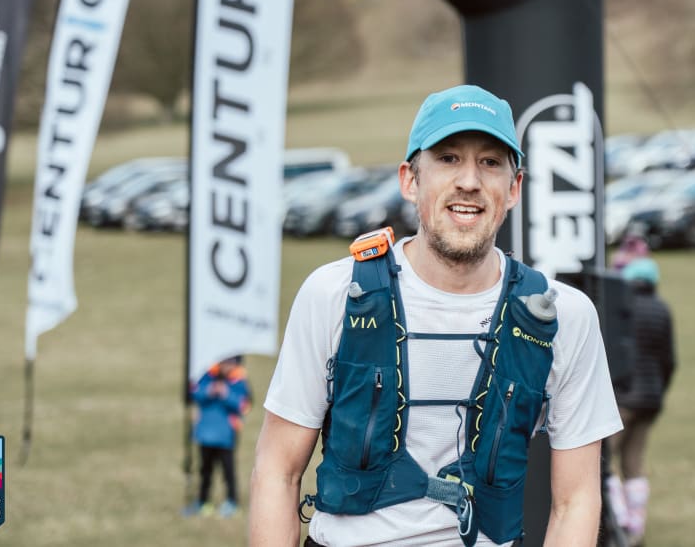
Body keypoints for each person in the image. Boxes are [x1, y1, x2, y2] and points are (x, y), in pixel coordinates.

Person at [249, 84, 623, 547]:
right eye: (448, 159)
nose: (469, 181)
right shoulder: (335, 293)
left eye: (490, 162)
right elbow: (278, 471)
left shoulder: (563, 315)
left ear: (514, 188)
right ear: (410, 180)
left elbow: (576, 502)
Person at [604, 257, 676, 547]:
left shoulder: (622, 307)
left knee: (604, 463)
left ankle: (619, 523)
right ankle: (636, 528)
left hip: (622, 398)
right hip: (651, 399)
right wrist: (659, 390)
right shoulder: (661, 309)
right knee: (633, 463)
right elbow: (669, 360)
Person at [184, 355, 252, 519]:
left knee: (228, 471)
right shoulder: (206, 376)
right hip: (205, 435)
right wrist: (209, 390)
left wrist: (226, 393)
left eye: (230, 362)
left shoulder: (238, 382)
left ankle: (231, 501)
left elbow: (244, 405)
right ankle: (203, 501)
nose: (226, 366)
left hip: (226, 436)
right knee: (205, 471)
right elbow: (194, 393)